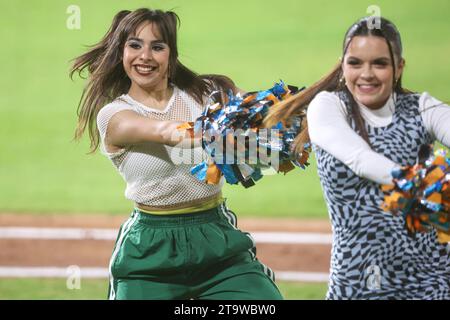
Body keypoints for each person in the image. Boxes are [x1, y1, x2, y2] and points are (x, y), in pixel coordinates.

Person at [70, 8, 282, 300]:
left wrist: (286, 118)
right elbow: (168, 133)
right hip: (149, 250)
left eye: (157, 47)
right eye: (135, 45)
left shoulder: (206, 93)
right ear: (121, 52)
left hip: (216, 239)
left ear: (171, 55)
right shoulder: (115, 115)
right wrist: (219, 130)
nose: (145, 56)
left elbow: (260, 113)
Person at [266, 17, 450, 299]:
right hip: (356, 282)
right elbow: (359, 159)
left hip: (431, 281)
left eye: (380, 63)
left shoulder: (422, 108)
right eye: (355, 63)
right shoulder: (327, 107)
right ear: (343, 65)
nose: (367, 73)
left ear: (399, 67)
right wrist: (419, 183)